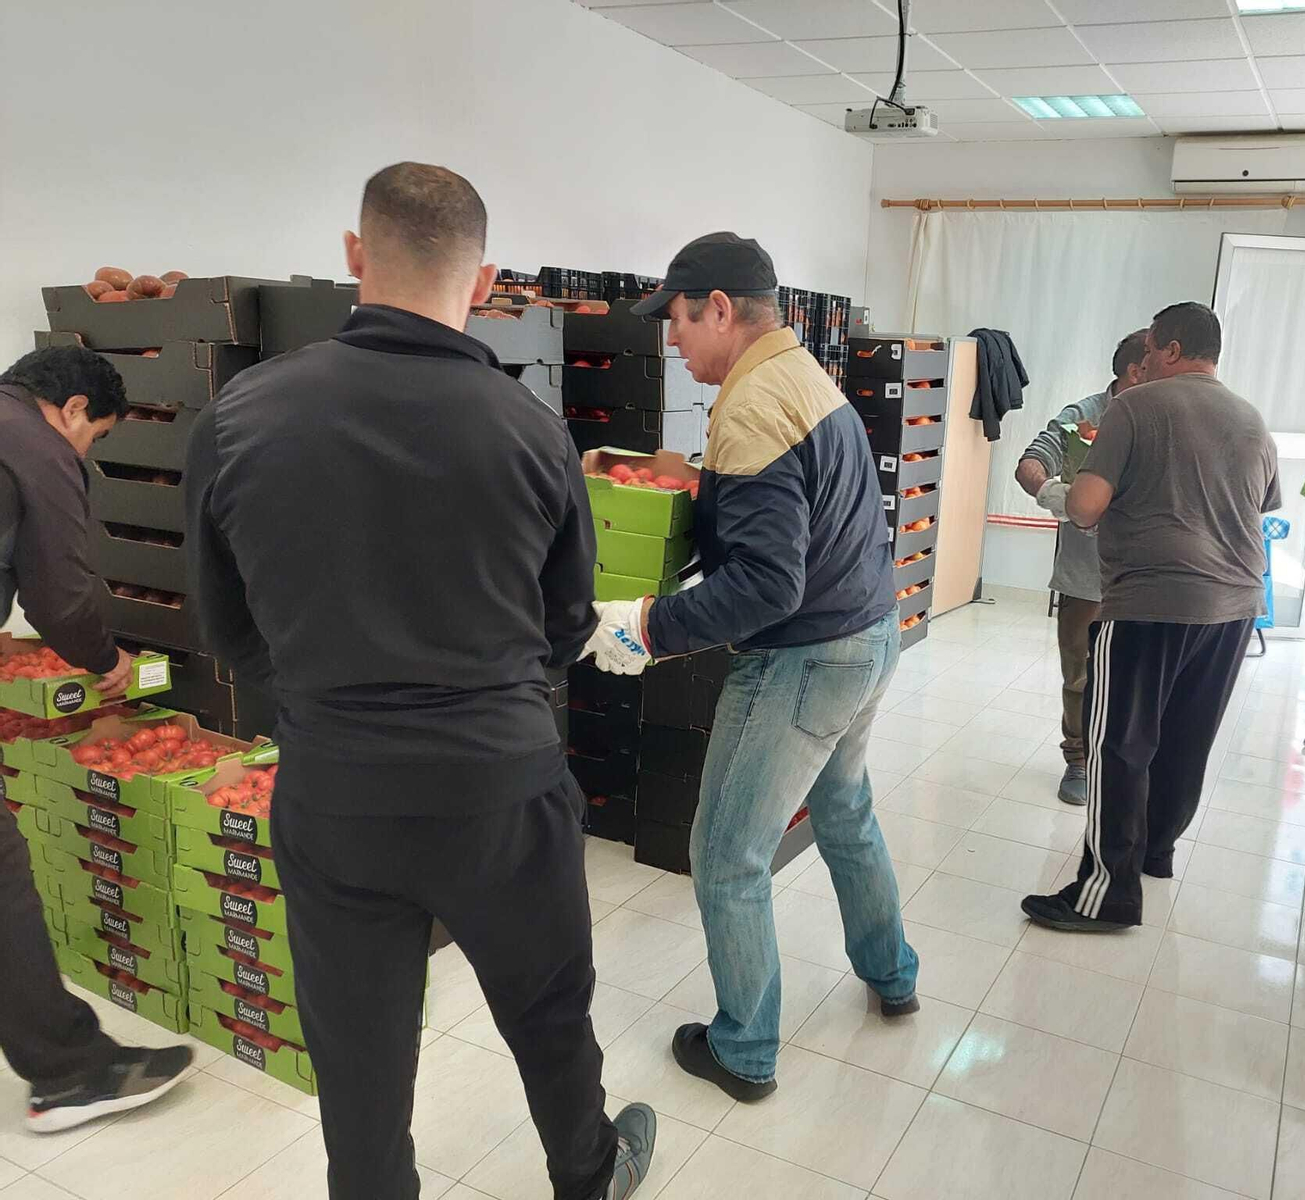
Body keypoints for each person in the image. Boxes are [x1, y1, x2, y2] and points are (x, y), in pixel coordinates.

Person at [185, 163, 654, 1200]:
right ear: (481, 280)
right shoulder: (533, 429)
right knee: (545, 1009)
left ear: (356, 255)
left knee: (357, 1057)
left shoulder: (238, 420)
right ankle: (587, 1172)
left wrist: (326, 700)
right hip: (499, 787)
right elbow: (565, 625)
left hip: (335, 791)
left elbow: (227, 631)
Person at [585, 232, 918, 1102]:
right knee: (844, 812)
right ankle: (893, 975)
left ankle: (745, 1050)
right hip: (869, 635)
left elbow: (769, 583)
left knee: (728, 853)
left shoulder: (747, 405)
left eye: (680, 323)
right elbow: (787, 510)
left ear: (720, 309)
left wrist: (650, 626)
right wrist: (690, 480)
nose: (672, 342)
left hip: (804, 661)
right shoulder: (801, 377)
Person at [1020, 302, 1280, 932]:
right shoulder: (1251, 419)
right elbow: (1265, 504)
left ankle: (1107, 893)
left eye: (1150, 349)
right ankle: (1155, 853)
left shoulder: (1134, 407)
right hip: (1233, 608)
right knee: (1185, 739)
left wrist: (1049, 490)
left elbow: (1085, 507)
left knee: (1119, 744)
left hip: (1149, 604)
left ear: (1167, 349)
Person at [0, 345, 193, 1132]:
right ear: (73, 409)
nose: (89, 453)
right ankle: (70, 1072)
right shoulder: (35, 444)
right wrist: (106, 662)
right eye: (98, 437)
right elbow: (62, 588)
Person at [1015, 328, 1146, 805]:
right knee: (1081, 671)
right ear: (1138, 370)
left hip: (1147, 575)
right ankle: (1079, 759)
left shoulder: (1165, 416)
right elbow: (1030, 462)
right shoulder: (1084, 416)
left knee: (1138, 672)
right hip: (1086, 574)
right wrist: (1056, 494)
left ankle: (1128, 762)